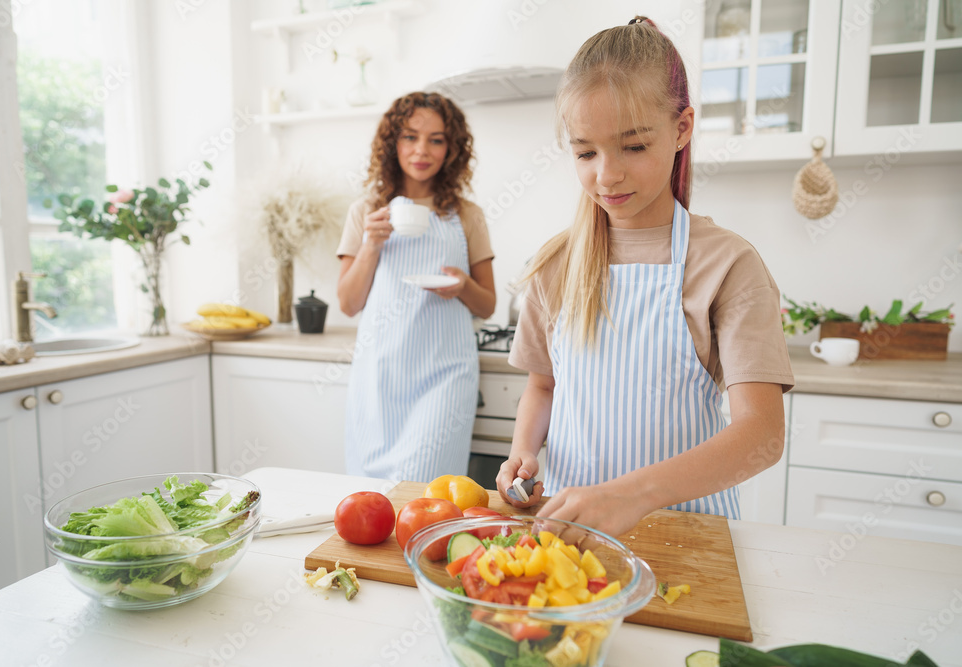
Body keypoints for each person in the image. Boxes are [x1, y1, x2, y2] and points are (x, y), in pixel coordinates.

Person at [496, 17, 795, 538]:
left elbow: (761, 434)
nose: (606, 174)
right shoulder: (556, 265)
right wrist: (523, 452)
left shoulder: (727, 264)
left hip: (689, 538)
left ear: (682, 129)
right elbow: (542, 386)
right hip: (570, 540)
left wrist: (630, 496)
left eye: (633, 146)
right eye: (585, 151)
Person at [337, 92, 496, 482]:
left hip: (444, 377)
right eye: (410, 137)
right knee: (372, 495)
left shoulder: (467, 215)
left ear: (452, 149)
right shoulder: (365, 212)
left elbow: (487, 304)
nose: (421, 150)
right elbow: (348, 302)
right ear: (393, 143)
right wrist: (371, 244)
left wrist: (461, 286)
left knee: (425, 491)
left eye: (436, 139)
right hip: (380, 375)